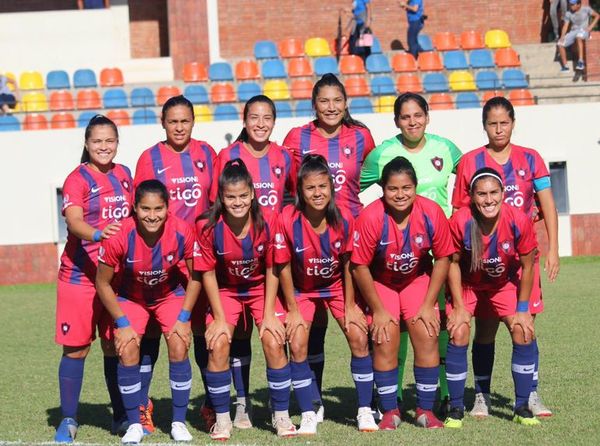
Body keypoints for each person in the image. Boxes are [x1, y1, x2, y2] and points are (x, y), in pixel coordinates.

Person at [452, 96, 559, 418]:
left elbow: (548, 204)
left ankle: (530, 394)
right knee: (485, 330)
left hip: (520, 261)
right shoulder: (470, 161)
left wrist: (553, 248)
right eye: (492, 123)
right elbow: (460, 209)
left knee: (524, 325)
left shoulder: (532, 158)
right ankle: (481, 395)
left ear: (513, 123)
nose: (498, 129)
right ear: (484, 126)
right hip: (481, 265)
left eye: (504, 122)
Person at [360, 92, 462, 415]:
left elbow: (474, 174)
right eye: (405, 117)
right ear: (396, 121)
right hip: (391, 253)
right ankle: (393, 400)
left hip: (434, 254)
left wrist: (464, 213)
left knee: (434, 326)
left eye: (418, 115)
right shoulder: (382, 155)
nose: (412, 121)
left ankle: (441, 396)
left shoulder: (446, 148)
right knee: (392, 331)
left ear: (427, 116)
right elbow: (351, 190)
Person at [283, 74, 376, 418]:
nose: (331, 107)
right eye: (324, 101)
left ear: (346, 102)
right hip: (309, 240)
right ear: (313, 104)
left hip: (355, 242)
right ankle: (315, 399)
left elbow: (375, 176)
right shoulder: (297, 137)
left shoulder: (362, 136)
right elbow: (287, 185)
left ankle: (374, 399)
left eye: (337, 100)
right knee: (314, 327)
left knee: (362, 322)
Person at [273, 154, 378, 435]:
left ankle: (365, 409)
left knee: (358, 335)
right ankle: (308, 411)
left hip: (335, 288)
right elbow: (282, 266)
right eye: (310, 188)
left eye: (323, 187)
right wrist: (293, 308)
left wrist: (352, 304)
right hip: (301, 290)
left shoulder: (343, 217)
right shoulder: (287, 218)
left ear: (331, 187)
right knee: (296, 344)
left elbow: (348, 264)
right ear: (300, 191)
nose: (317, 193)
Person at [208, 95, 294, 429]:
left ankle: (281, 411)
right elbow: (217, 202)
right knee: (231, 339)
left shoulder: (283, 156)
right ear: (244, 121)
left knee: (277, 336)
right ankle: (237, 407)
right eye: (254, 117)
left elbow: (291, 197)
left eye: (267, 118)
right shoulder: (227, 157)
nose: (260, 124)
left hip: (268, 262)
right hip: (230, 268)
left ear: (274, 121)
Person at [197, 159, 297, 441]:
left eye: (243, 195)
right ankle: (222, 419)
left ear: (253, 194)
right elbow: (207, 274)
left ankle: (281, 415)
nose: (237, 202)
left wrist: (267, 315)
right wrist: (218, 318)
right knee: (218, 343)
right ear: (221, 197)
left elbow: (271, 267)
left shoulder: (267, 221)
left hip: (259, 289)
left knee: (273, 338)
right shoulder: (208, 226)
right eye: (230, 196)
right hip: (226, 291)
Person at [351, 156, 454, 430]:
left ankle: (425, 410)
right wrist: (380, 310)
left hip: (416, 279)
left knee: (427, 332)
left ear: (416, 187)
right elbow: (359, 266)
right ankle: (390, 411)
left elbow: (443, 258)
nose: (400, 195)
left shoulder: (431, 212)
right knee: (385, 338)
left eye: (406, 188)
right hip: (381, 283)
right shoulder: (371, 216)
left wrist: (429, 303)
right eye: (393, 189)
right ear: (383, 189)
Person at [133, 95, 217, 433]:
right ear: (163, 123)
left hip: (200, 260)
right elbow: (139, 210)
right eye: (173, 121)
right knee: (153, 332)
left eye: (185, 121)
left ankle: (211, 404)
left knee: (199, 332)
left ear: (193, 121)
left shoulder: (207, 153)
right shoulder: (149, 158)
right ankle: (142, 405)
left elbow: (218, 202)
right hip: (161, 262)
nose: (179, 127)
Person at [96, 179, 201, 444]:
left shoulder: (182, 230)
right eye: (145, 209)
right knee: (128, 345)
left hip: (169, 294)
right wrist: (121, 322)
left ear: (168, 208)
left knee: (178, 342)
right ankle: (134, 423)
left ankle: (178, 422)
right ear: (134, 207)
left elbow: (196, 276)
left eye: (158, 209)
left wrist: (184, 318)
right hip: (132, 296)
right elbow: (102, 282)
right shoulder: (119, 235)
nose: (152, 216)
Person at [54, 115, 132, 443]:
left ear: (117, 143)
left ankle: (121, 417)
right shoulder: (77, 179)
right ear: (87, 144)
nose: (104, 147)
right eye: (97, 141)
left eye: (109, 141)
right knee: (76, 350)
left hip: (115, 278)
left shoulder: (126, 174)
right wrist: (100, 233)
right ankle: (69, 419)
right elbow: (73, 222)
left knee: (116, 346)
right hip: (79, 277)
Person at [445, 168, 540, 427]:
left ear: (503, 194)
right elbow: (451, 263)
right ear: (472, 197)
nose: (488, 200)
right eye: (482, 194)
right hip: (468, 285)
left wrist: (522, 308)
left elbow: (528, 265)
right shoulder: (461, 220)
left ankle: (521, 406)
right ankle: (455, 407)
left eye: (494, 193)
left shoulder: (518, 220)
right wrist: (460, 307)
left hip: (502, 284)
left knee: (522, 329)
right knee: (459, 330)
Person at [557, 0, 600, 72]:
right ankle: (565, 67)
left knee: (579, 36)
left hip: (584, 30)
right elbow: (565, 26)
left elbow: (597, 16)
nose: (571, 6)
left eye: (573, 5)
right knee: (560, 44)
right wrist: (562, 37)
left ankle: (580, 62)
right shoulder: (568, 13)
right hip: (573, 31)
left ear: (579, 4)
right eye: (570, 4)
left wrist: (590, 27)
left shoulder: (586, 9)